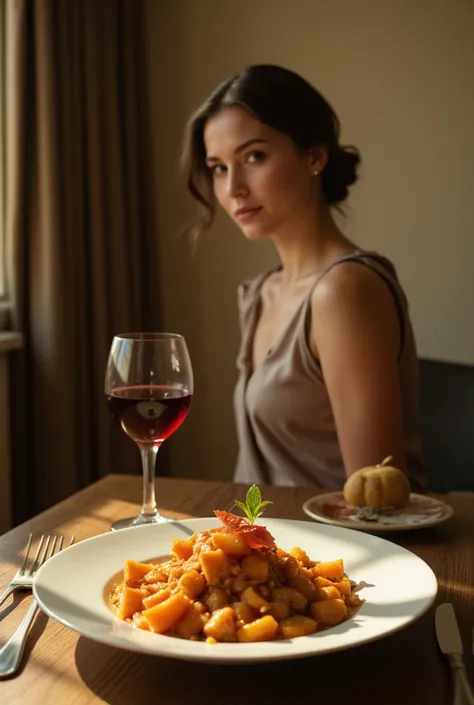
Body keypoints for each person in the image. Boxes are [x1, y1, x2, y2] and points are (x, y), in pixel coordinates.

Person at [181, 64, 426, 492]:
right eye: (218, 167)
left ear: (314, 156)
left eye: (254, 156)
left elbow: (376, 502)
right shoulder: (259, 293)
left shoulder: (343, 292)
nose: (233, 187)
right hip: (260, 544)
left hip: (337, 553)